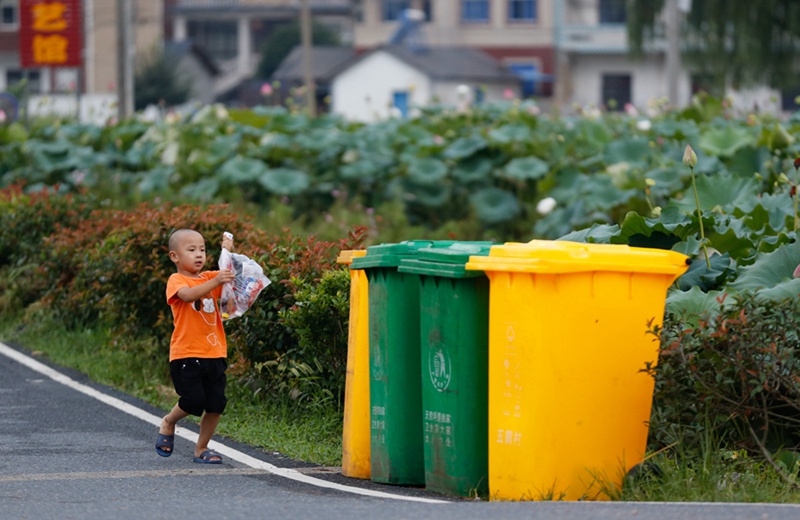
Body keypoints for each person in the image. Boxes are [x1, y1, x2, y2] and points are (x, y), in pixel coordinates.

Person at [155, 229, 235, 464]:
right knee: (193, 401)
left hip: (215, 352)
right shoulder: (177, 280)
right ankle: (169, 421)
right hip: (186, 355)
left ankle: (202, 448)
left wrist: (227, 250)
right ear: (174, 257)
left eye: (202, 249)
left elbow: (228, 294)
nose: (199, 254)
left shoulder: (211, 277)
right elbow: (189, 296)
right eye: (191, 250)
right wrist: (216, 281)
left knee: (216, 403)